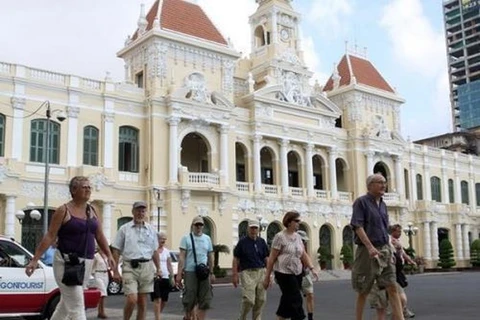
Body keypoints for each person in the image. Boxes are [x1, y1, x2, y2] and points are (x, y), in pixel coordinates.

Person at [25, 176, 115, 320]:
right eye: (84, 187)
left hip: (86, 264)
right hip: (66, 264)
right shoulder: (63, 210)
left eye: (89, 187)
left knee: (65, 306)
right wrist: (35, 259)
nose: (88, 189)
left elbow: (99, 235)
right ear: (73, 190)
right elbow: (50, 236)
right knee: (77, 308)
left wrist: (109, 255)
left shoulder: (93, 210)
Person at [350, 173, 404, 320]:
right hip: (367, 251)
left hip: (384, 249)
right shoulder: (361, 202)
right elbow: (357, 226)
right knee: (364, 289)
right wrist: (369, 247)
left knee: (392, 286)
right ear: (370, 185)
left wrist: (390, 249)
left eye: (384, 182)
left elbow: (384, 229)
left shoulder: (383, 205)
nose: (383, 185)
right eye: (379, 182)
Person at [263, 211, 319, 320]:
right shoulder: (279, 237)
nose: (299, 223)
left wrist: (312, 268)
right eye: (297, 221)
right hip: (283, 273)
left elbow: (303, 254)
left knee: (287, 301)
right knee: (296, 299)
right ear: (289, 222)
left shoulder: (298, 237)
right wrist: (267, 277)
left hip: (297, 273)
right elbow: (271, 259)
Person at [111, 201, 161, 320]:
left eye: (143, 211)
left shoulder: (151, 230)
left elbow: (154, 251)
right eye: (138, 210)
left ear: (146, 213)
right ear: (133, 212)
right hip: (130, 266)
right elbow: (116, 250)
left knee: (143, 302)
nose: (140, 213)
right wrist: (115, 271)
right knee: (132, 299)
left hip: (147, 267)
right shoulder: (124, 229)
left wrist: (158, 268)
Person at [175, 216, 215, 320]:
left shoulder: (207, 239)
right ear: (192, 226)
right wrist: (179, 274)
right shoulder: (186, 238)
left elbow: (210, 256)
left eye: (200, 225)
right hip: (190, 271)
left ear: (203, 226)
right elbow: (182, 257)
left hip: (203, 272)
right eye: (196, 224)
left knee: (205, 300)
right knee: (189, 299)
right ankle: (188, 317)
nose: (198, 227)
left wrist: (211, 272)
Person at [232, 219, 269, 320]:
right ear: (248, 229)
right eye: (251, 228)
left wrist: (269, 274)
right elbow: (236, 259)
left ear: (258, 229)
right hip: (247, 273)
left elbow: (266, 258)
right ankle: (242, 317)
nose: (253, 230)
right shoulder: (242, 242)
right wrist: (235, 275)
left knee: (261, 300)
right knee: (249, 300)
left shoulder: (261, 242)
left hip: (261, 271)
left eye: (255, 228)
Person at [389, 224, 416, 318]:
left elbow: (403, 254)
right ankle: (400, 312)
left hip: (399, 270)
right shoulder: (390, 241)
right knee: (400, 296)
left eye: (400, 231)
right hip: (392, 270)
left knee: (398, 293)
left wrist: (411, 261)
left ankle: (400, 311)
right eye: (398, 231)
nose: (400, 233)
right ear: (392, 232)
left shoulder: (398, 241)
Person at [151, 232, 175, 320]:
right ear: (157, 239)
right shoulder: (153, 251)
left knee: (164, 300)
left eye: (165, 239)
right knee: (157, 299)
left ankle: (158, 315)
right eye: (162, 239)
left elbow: (169, 264)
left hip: (165, 277)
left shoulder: (166, 251)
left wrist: (172, 277)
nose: (163, 241)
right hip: (155, 277)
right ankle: (157, 318)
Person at [297, 230, 315, 320]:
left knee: (310, 295)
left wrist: (312, 268)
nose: (303, 242)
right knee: (295, 299)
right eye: (302, 240)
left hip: (305, 274)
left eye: (304, 241)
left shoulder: (304, 247)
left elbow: (306, 258)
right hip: (294, 275)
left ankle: (310, 317)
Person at [92, 246, 111, 319]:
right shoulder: (96, 256)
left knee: (102, 294)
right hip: (98, 274)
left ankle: (100, 311)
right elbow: (92, 267)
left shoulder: (106, 255)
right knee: (103, 294)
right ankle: (102, 311)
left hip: (105, 274)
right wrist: (94, 275)